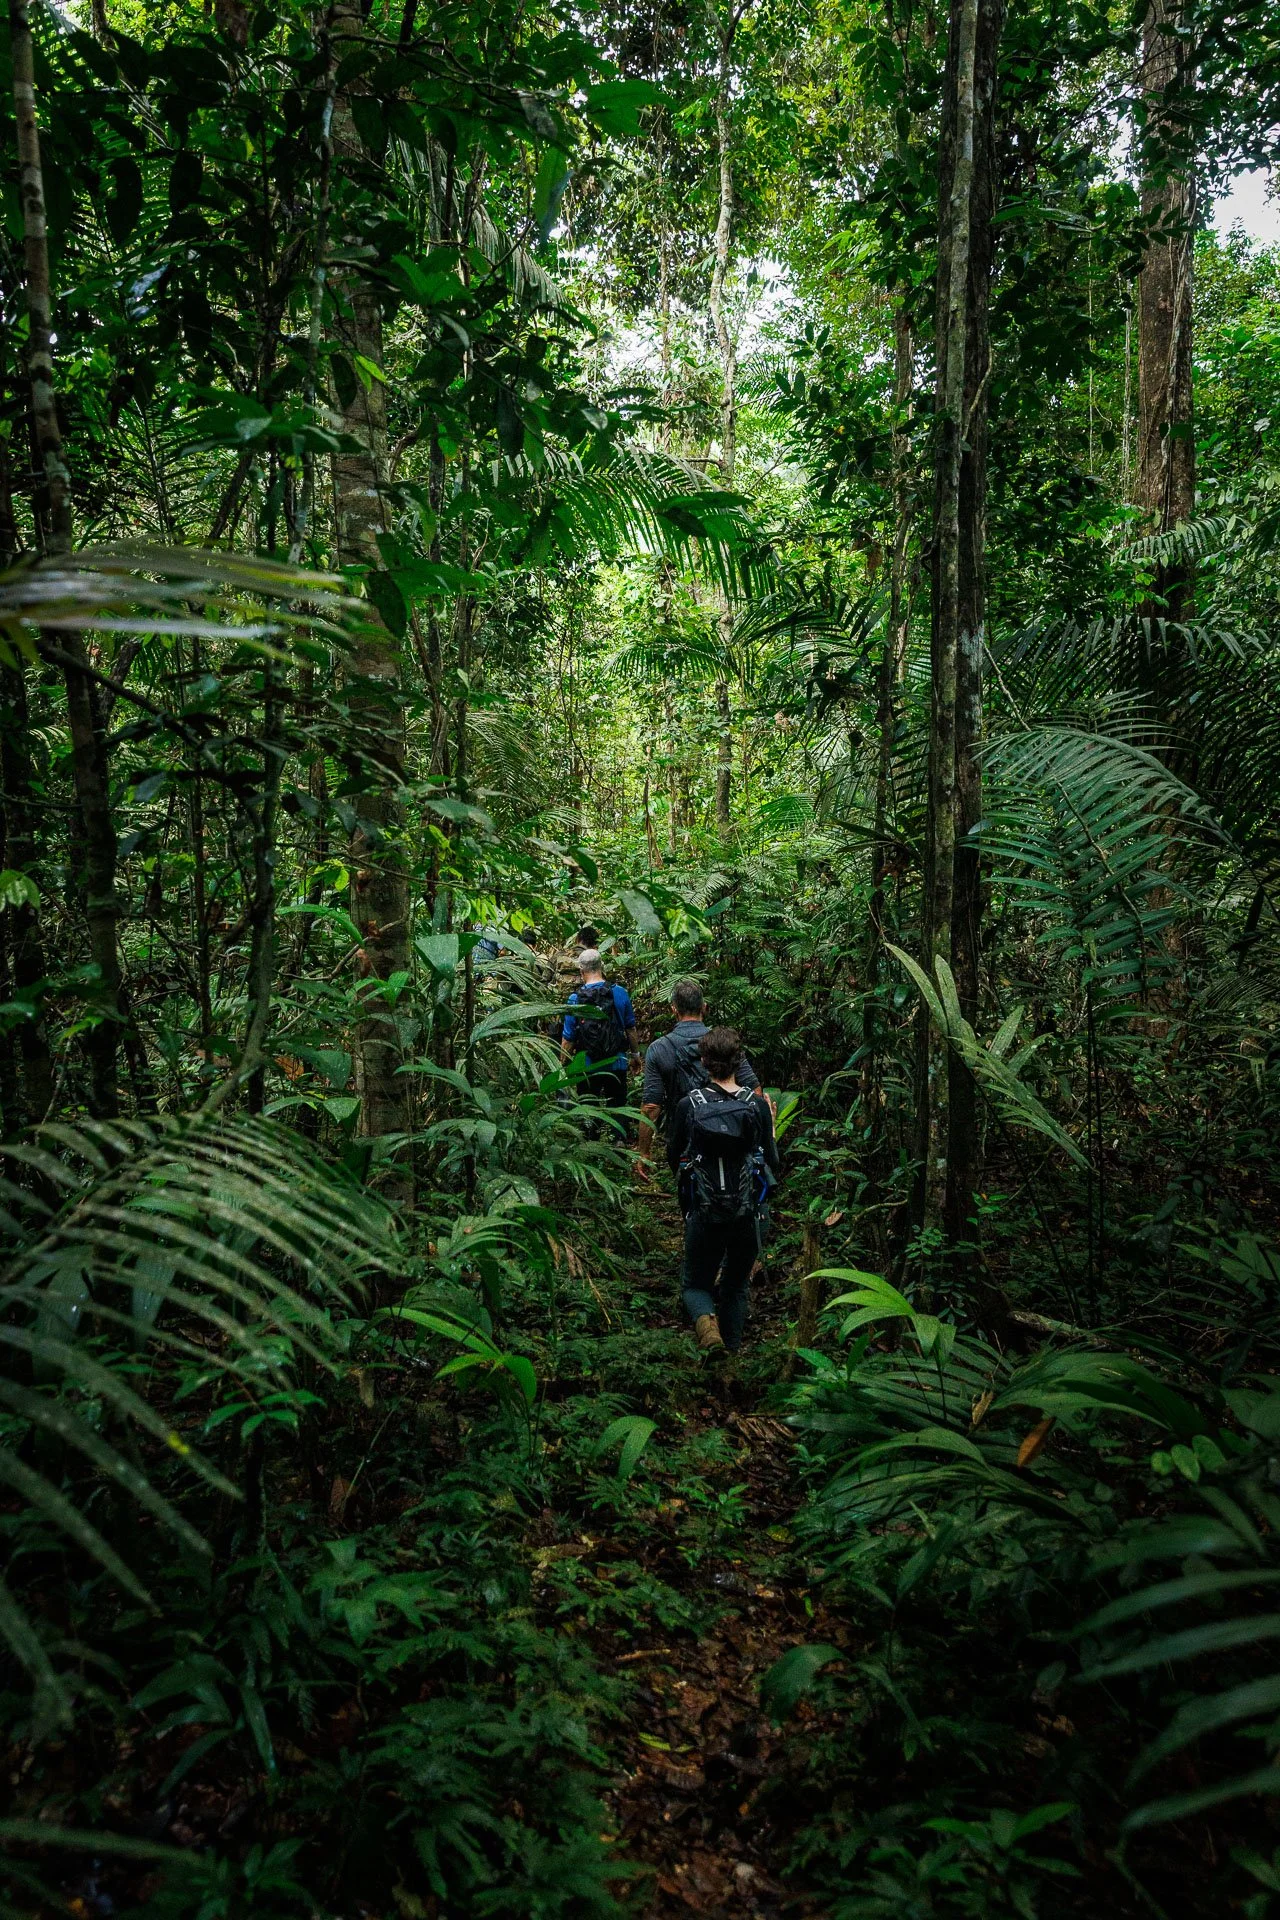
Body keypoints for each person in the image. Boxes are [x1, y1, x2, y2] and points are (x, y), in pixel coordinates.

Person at [667, 1026, 780, 1359]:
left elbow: (675, 1158)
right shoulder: (756, 1106)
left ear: (704, 1062)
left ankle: (708, 1333)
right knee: (735, 1285)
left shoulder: (691, 1105)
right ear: (738, 1060)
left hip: (704, 1211)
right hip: (749, 1212)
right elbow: (772, 1161)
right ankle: (731, 1354)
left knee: (695, 1285)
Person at [635, 979, 763, 1179]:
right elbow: (754, 1090)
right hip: (731, 1129)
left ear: (673, 1010)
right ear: (704, 1007)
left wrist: (644, 1152)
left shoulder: (659, 1048)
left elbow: (651, 1106)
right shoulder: (724, 1043)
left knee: (691, 1187)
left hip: (684, 1135)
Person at [559, 948, 641, 1124]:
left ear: (581, 971)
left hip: (587, 1066)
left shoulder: (575, 999)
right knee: (618, 1108)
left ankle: (591, 1143)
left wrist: (561, 1066)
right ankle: (619, 1143)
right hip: (616, 1062)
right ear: (602, 966)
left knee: (589, 1111)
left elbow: (569, 1038)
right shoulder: (620, 993)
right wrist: (635, 1056)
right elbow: (630, 1029)